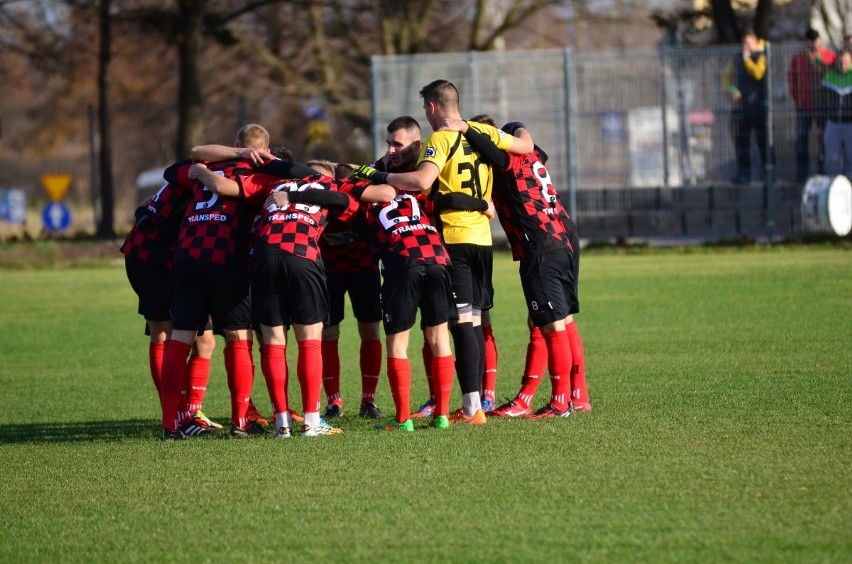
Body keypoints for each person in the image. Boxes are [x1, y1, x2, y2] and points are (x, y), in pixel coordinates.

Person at [350, 79, 532, 426]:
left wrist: (377, 174)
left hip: (453, 238)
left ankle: (472, 406)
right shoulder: (482, 132)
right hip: (483, 239)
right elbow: (525, 144)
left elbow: (421, 182)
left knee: (459, 324)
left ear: (432, 107)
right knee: (474, 322)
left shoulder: (441, 138)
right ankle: (470, 401)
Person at [192, 156, 396, 438]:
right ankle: (312, 422)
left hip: (263, 255)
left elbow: (230, 189)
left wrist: (202, 170)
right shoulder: (330, 185)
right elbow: (376, 196)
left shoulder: (273, 184)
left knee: (274, 341)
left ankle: (282, 424)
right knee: (309, 340)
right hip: (302, 254)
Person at [439, 116, 590, 417]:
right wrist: (516, 127)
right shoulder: (531, 153)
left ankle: (558, 402)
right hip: (562, 234)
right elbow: (529, 142)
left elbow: (498, 153)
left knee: (549, 323)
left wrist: (467, 129)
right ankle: (577, 395)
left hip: (540, 244)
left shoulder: (507, 159)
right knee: (562, 319)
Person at [157, 124, 272, 440]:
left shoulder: (207, 165)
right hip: (226, 259)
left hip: (187, 258)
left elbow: (177, 169)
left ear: (236, 143)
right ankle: (239, 422)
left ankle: (170, 424)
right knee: (237, 339)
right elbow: (232, 190)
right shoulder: (261, 174)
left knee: (180, 340)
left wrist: (199, 171)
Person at [120, 186, 220, 431]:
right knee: (165, 334)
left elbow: (146, 203)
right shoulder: (204, 179)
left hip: (176, 261)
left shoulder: (213, 178)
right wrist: (144, 215)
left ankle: (190, 412)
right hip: (153, 260)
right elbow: (149, 201)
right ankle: (178, 414)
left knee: (204, 341)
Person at [361, 191, 458, 431]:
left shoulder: (361, 199)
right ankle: (442, 415)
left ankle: (403, 419)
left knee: (397, 343)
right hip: (438, 257)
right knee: (440, 339)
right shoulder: (411, 195)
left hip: (404, 260)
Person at [311, 159, 385, 421]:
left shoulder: (363, 199)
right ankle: (334, 401)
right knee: (328, 334)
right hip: (329, 273)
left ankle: (369, 400)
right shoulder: (317, 204)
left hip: (364, 271)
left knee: (370, 330)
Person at [788, 28, 837, 182]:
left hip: (823, 106)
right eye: (811, 41)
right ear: (806, 42)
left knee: (823, 138)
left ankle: (824, 171)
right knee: (802, 139)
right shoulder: (798, 59)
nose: (814, 44)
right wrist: (798, 99)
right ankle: (801, 175)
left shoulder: (828, 56)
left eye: (816, 40)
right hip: (804, 106)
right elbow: (792, 81)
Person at [723, 30, 770, 184]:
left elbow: (758, 73)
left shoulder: (761, 56)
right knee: (741, 143)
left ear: (755, 43)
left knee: (764, 142)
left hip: (759, 108)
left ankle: (768, 174)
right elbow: (726, 79)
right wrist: (731, 90)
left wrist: (748, 60)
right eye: (744, 43)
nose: (746, 46)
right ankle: (743, 175)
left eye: (748, 43)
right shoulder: (736, 59)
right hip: (741, 109)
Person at [820, 49, 852, 177]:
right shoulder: (828, 77)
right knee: (832, 161)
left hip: (850, 125)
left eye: (845, 62)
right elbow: (821, 103)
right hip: (832, 124)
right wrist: (820, 125)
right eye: (840, 62)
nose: (843, 64)